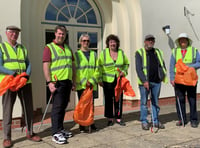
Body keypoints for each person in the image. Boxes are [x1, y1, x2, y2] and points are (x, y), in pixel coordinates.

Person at [0, 26, 41, 148]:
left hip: (24, 82)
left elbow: (28, 63)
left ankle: (30, 132)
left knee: (28, 108)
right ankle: (7, 138)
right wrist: (11, 73)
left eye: (17, 32)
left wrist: (27, 75)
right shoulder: (2, 47)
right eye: (12, 32)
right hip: (10, 83)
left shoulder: (22, 48)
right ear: (7, 34)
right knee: (7, 110)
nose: (14, 34)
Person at [43, 25, 76, 144]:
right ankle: (55, 133)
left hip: (67, 81)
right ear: (55, 34)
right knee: (57, 108)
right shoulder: (49, 48)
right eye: (59, 33)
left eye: (63, 34)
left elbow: (72, 65)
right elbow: (46, 65)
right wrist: (49, 82)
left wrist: (73, 81)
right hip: (57, 82)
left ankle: (61, 129)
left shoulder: (68, 48)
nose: (61, 36)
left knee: (63, 107)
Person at [135, 34, 167, 130]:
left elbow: (162, 64)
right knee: (144, 103)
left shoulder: (158, 52)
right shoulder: (139, 52)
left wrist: (162, 76)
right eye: (149, 40)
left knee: (155, 102)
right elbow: (138, 69)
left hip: (156, 82)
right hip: (145, 83)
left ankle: (155, 120)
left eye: (152, 40)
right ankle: (144, 121)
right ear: (145, 41)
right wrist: (144, 81)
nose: (151, 41)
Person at [169, 33, 200, 128]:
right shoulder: (175, 51)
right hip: (178, 80)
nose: (182, 41)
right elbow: (171, 65)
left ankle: (193, 120)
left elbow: (199, 63)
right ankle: (181, 119)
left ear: (187, 41)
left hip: (191, 79)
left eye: (184, 39)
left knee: (192, 99)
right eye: (181, 40)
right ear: (178, 42)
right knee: (180, 100)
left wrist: (188, 67)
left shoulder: (194, 51)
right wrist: (171, 78)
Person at [98, 34, 129, 126]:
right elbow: (99, 66)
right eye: (111, 42)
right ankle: (110, 118)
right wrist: (99, 79)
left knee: (118, 99)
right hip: (107, 80)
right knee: (108, 99)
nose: (112, 43)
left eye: (114, 42)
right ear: (108, 43)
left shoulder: (121, 52)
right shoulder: (103, 53)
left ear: (117, 43)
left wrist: (124, 72)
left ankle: (118, 118)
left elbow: (126, 64)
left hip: (118, 80)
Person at [74, 34, 99, 133]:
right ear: (80, 42)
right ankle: (82, 125)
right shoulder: (77, 55)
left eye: (88, 41)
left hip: (92, 85)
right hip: (82, 85)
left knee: (91, 105)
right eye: (84, 41)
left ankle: (91, 123)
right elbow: (76, 70)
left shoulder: (93, 54)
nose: (86, 43)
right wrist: (85, 81)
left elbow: (97, 68)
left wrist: (92, 81)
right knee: (83, 106)